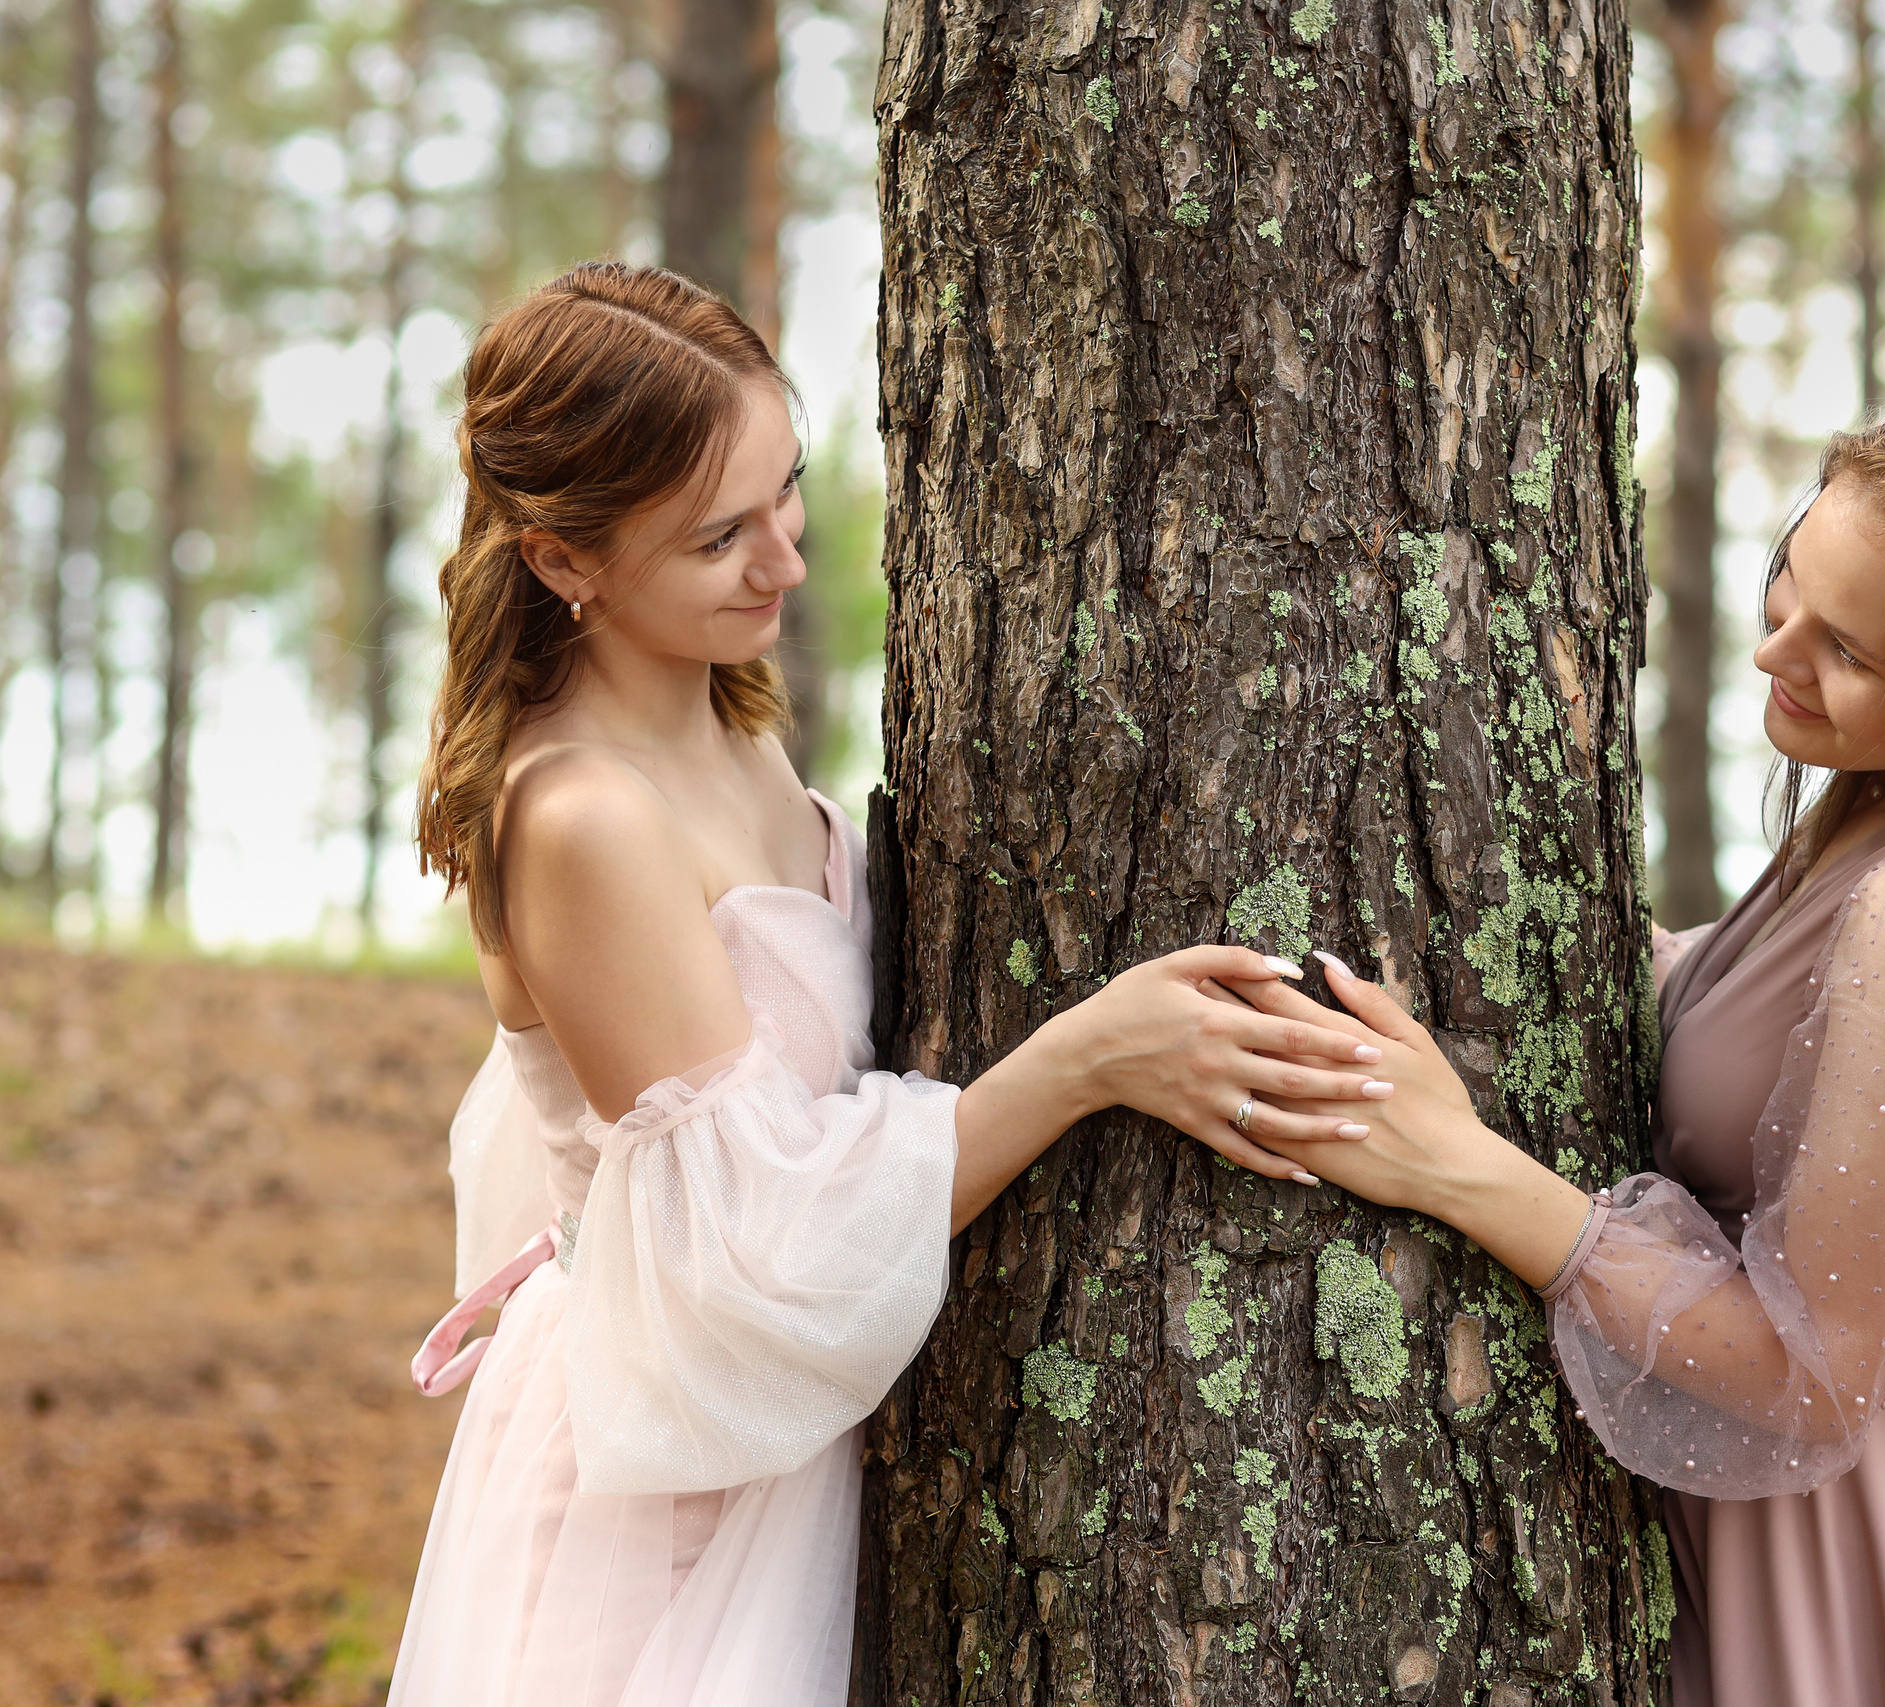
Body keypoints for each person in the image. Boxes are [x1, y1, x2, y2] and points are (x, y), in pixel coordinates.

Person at [390, 262, 1390, 1707]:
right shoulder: (584, 816)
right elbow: (752, 1256)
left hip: (800, 1462)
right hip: (670, 1514)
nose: (784, 562)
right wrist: (1085, 1060)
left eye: (783, 489)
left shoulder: (728, 724)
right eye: (716, 537)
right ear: (561, 561)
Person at [1239, 382, 1885, 1705]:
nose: (1775, 655)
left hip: (1859, 1560)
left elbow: (1808, 1370)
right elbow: (1787, 1030)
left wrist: (1457, 1169)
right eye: (1789, 584)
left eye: (1850, 652)